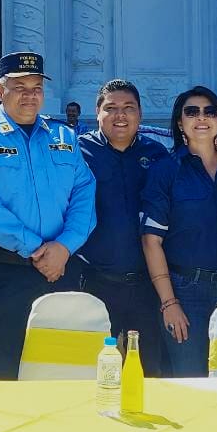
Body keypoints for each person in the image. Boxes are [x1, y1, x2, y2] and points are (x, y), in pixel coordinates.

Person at [0, 51, 96, 379]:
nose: (30, 95)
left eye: (36, 87)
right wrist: (36, 248)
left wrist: (63, 247)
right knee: (2, 370)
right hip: (6, 273)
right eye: (20, 87)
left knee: (65, 369)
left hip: (61, 269)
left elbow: (84, 194)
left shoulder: (63, 136)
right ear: (0, 91)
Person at [141, 86, 217, 377]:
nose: (202, 118)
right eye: (192, 112)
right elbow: (151, 240)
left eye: (210, 111)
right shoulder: (166, 170)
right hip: (186, 292)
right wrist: (169, 303)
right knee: (191, 379)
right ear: (179, 122)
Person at [77, 79, 169, 375]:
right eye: (111, 108)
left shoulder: (157, 155)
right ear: (97, 112)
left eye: (128, 108)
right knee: (95, 368)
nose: (120, 115)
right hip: (94, 282)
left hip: (146, 284)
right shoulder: (78, 153)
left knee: (146, 368)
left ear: (140, 114)